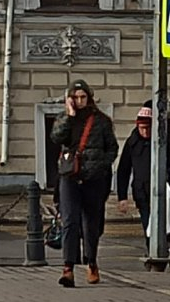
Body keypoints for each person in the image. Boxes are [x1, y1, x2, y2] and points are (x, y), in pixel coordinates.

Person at [50, 80, 119, 287]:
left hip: (93, 179)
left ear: (89, 97)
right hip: (70, 176)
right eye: (76, 97)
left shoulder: (101, 121)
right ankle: (68, 268)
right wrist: (69, 116)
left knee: (91, 223)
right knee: (70, 221)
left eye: (83, 97)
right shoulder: (64, 119)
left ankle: (91, 263)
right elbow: (56, 138)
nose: (80, 101)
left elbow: (112, 148)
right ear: (70, 98)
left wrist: (101, 165)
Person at [116, 106, 154, 230]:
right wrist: (122, 197)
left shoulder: (161, 142)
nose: (146, 132)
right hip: (141, 191)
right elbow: (123, 170)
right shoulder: (132, 143)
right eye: (143, 128)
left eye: (149, 128)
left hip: (162, 191)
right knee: (147, 226)